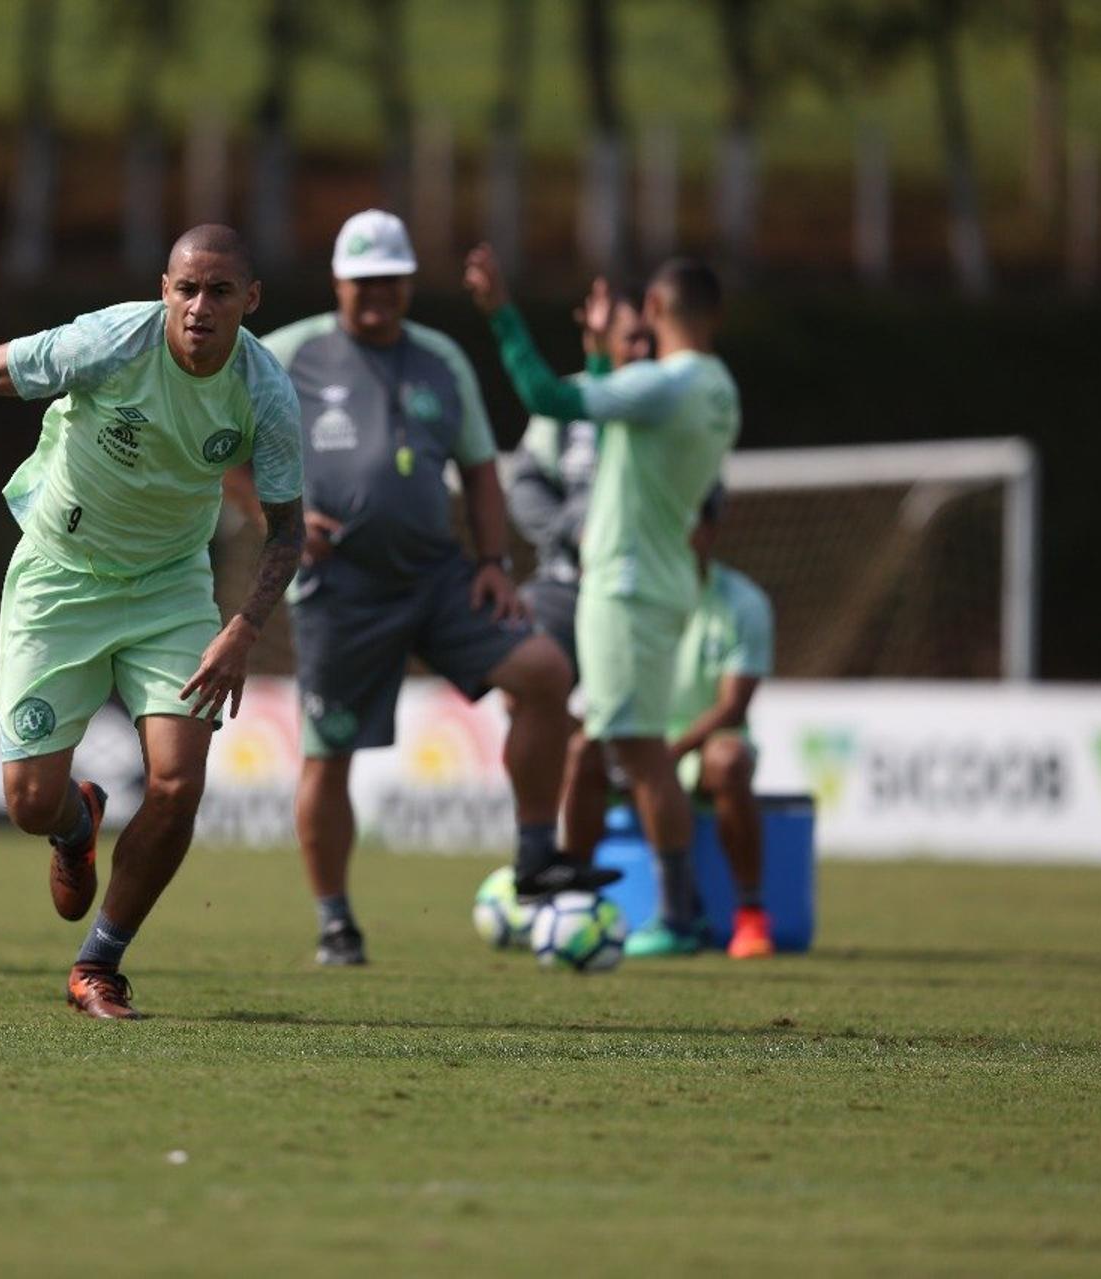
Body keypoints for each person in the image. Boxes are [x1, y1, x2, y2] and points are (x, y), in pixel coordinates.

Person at [0, 224, 305, 1020]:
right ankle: (75, 823)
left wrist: (241, 628)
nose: (199, 307)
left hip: (170, 589)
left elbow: (287, 530)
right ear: (163, 290)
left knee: (180, 781)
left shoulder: (265, 392)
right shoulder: (110, 343)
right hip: (59, 576)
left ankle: (99, 965)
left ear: (250, 301)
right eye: (186, 288)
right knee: (26, 800)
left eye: (220, 291)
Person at [240, 210, 612, 968]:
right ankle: (335, 920)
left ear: (409, 283)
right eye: (364, 280)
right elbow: (214, 434)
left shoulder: (440, 356)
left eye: (392, 280)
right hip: (340, 583)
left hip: (440, 574)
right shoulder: (289, 351)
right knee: (327, 755)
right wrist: (272, 515)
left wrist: (492, 563)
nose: (378, 294)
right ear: (339, 280)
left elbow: (479, 466)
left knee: (545, 673)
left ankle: (538, 855)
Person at [465, 246, 741, 955]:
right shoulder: (716, 388)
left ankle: (677, 917)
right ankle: (575, 878)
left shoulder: (663, 386)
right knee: (601, 745)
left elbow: (547, 400)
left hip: (623, 584)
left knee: (639, 754)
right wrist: (595, 353)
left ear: (653, 310)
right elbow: (613, 428)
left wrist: (500, 312)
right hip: (660, 579)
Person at [558, 488, 776, 958]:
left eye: (687, 523)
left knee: (729, 759)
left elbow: (732, 707)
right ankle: (571, 901)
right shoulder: (626, 599)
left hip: (701, 741)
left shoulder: (742, 603)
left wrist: (665, 754)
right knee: (581, 750)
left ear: (711, 530)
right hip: (641, 736)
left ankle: (749, 916)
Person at [501, 287, 653, 664]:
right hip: (563, 584)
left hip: (642, 588)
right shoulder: (573, 398)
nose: (643, 353)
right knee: (521, 671)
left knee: (618, 714)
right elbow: (525, 487)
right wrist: (574, 531)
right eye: (632, 339)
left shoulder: (669, 407)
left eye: (651, 340)